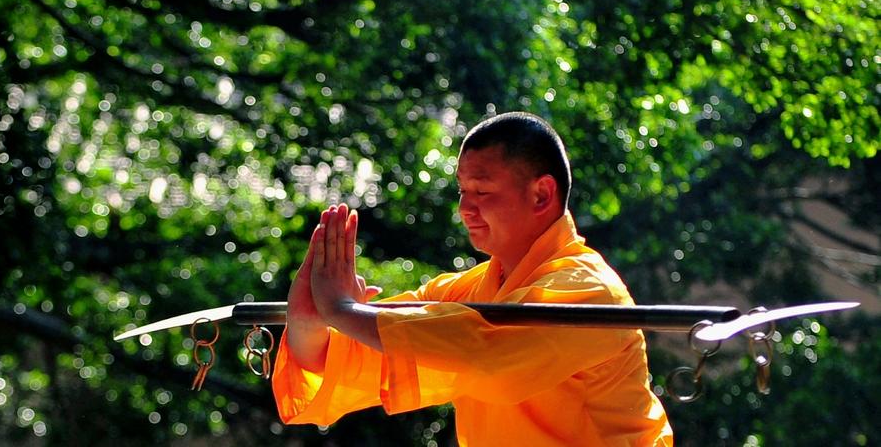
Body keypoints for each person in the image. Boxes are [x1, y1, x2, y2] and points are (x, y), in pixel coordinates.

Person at [272, 112, 673, 446]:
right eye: (462, 190)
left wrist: (343, 310)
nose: (465, 208)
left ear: (541, 195)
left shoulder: (589, 288)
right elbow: (358, 354)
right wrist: (311, 322)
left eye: (481, 191)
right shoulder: (470, 290)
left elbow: (489, 356)